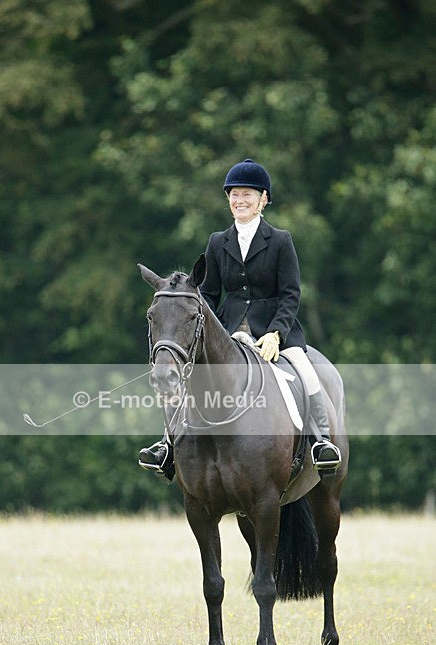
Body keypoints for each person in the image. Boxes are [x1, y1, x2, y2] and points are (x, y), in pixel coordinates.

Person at [139, 158, 342, 479]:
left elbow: (290, 294)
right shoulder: (218, 242)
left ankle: (320, 443)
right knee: (187, 376)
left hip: (275, 332)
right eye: (234, 194)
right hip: (228, 332)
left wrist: (276, 332)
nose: (240, 200)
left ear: (263, 199)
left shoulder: (280, 240)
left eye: (248, 194)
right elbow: (209, 295)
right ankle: (167, 445)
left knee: (307, 373)